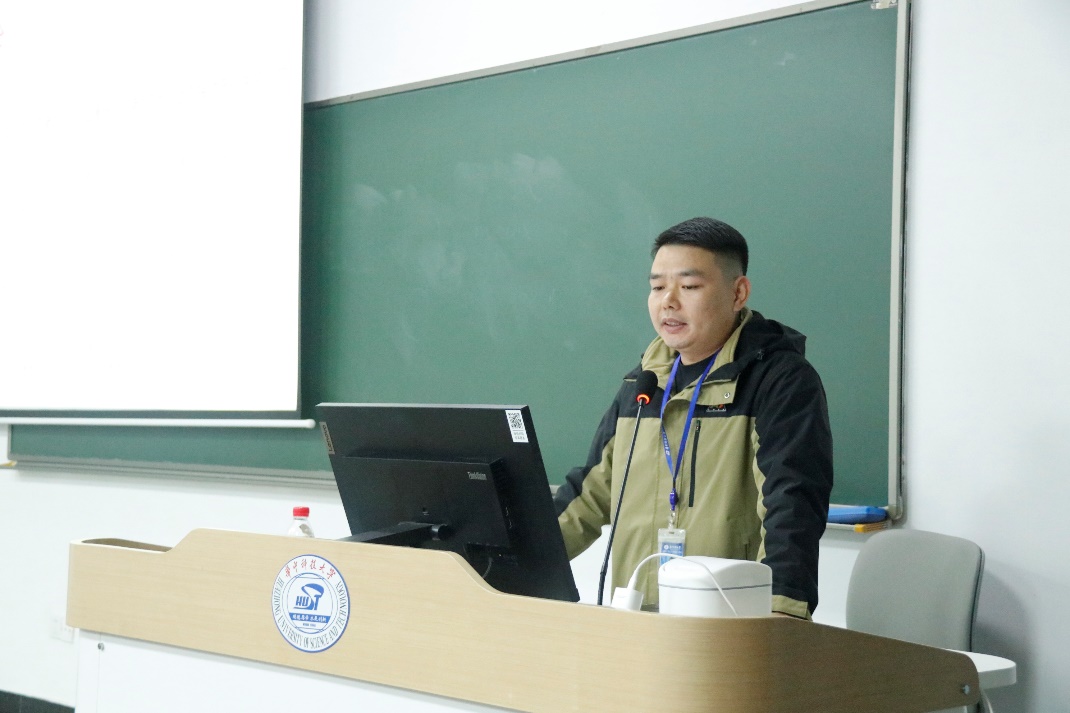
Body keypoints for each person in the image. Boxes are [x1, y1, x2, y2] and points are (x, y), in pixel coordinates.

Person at [554, 217, 833, 618]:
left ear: (738, 293)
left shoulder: (779, 380)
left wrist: (782, 612)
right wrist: (507, 564)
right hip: (636, 620)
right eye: (657, 287)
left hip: (729, 621)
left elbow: (793, 504)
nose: (668, 301)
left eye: (688, 287)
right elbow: (587, 494)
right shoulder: (644, 383)